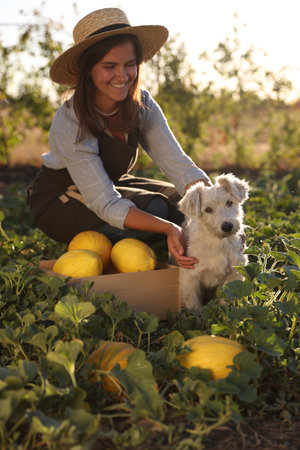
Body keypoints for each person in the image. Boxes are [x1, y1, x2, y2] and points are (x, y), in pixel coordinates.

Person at [27, 7, 211, 269]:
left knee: (185, 204)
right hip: (60, 198)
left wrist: (216, 209)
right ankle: (113, 249)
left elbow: (178, 164)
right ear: (88, 69)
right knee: (158, 211)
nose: (123, 76)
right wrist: (169, 228)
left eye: (130, 64)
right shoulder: (70, 121)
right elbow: (105, 203)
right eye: (109, 66)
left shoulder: (142, 104)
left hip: (111, 184)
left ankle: (149, 241)